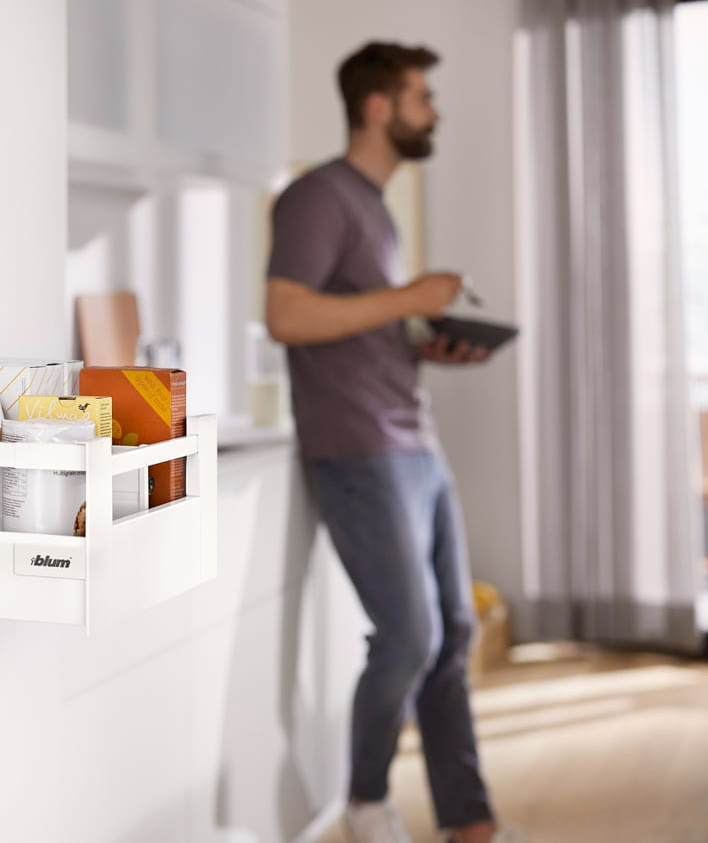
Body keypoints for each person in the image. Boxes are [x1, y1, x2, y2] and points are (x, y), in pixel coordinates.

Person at [264, 42, 520, 843]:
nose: (432, 111)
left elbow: (353, 323)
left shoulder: (373, 207)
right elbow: (287, 316)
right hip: (357, 449)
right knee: (409, 638)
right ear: (378, 107)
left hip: (413, 440)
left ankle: (469, 823)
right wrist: (407, 296)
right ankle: (366, 801)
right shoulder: (315, 196)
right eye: (420, 96)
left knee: (454, 634)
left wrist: (422, 340)